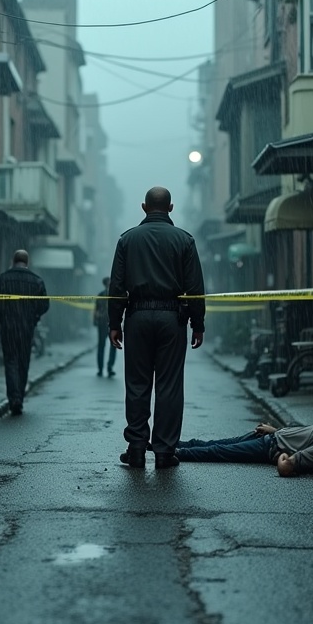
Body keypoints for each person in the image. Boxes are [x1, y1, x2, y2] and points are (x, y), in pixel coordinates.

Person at [108, 186, 206, 470]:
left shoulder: (127, 240)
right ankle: (164, 451)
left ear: (143, 207)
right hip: (172, 319)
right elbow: (195, 288)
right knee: (169, 386)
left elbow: (116, 286)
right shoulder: (184, 241)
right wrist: (198, 324)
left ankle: (136, 448)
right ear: (171, 208)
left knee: (137, 384)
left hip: (137, 317)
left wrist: (115, 323)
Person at [177, 421, 313, 477]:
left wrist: (282, 453)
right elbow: (299, 438)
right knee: (213, 444)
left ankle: (174, 453)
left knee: (218, 452)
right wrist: (276, 431)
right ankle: (169, 444)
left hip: (267, 447)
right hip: (267, 437)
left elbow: (286, 466)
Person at [0, 249, 49, 415]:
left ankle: (13, 397)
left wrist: (1, 317)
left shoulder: (2, 279)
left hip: (8, 327)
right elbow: (44, 305)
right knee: (23, 363)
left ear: (13, 261)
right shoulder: (36, 281)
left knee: (10, 362)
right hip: (27, 329)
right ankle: (19, 398)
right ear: (27, 262)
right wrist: (33, 318)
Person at [94, 276, 117, 377]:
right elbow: (96, 310)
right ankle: (101, 368)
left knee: (112, 346)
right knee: (102, 346)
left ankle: (109, 367)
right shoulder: (101, 295)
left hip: (111, 324)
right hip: (104, 323)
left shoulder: (115, 295)